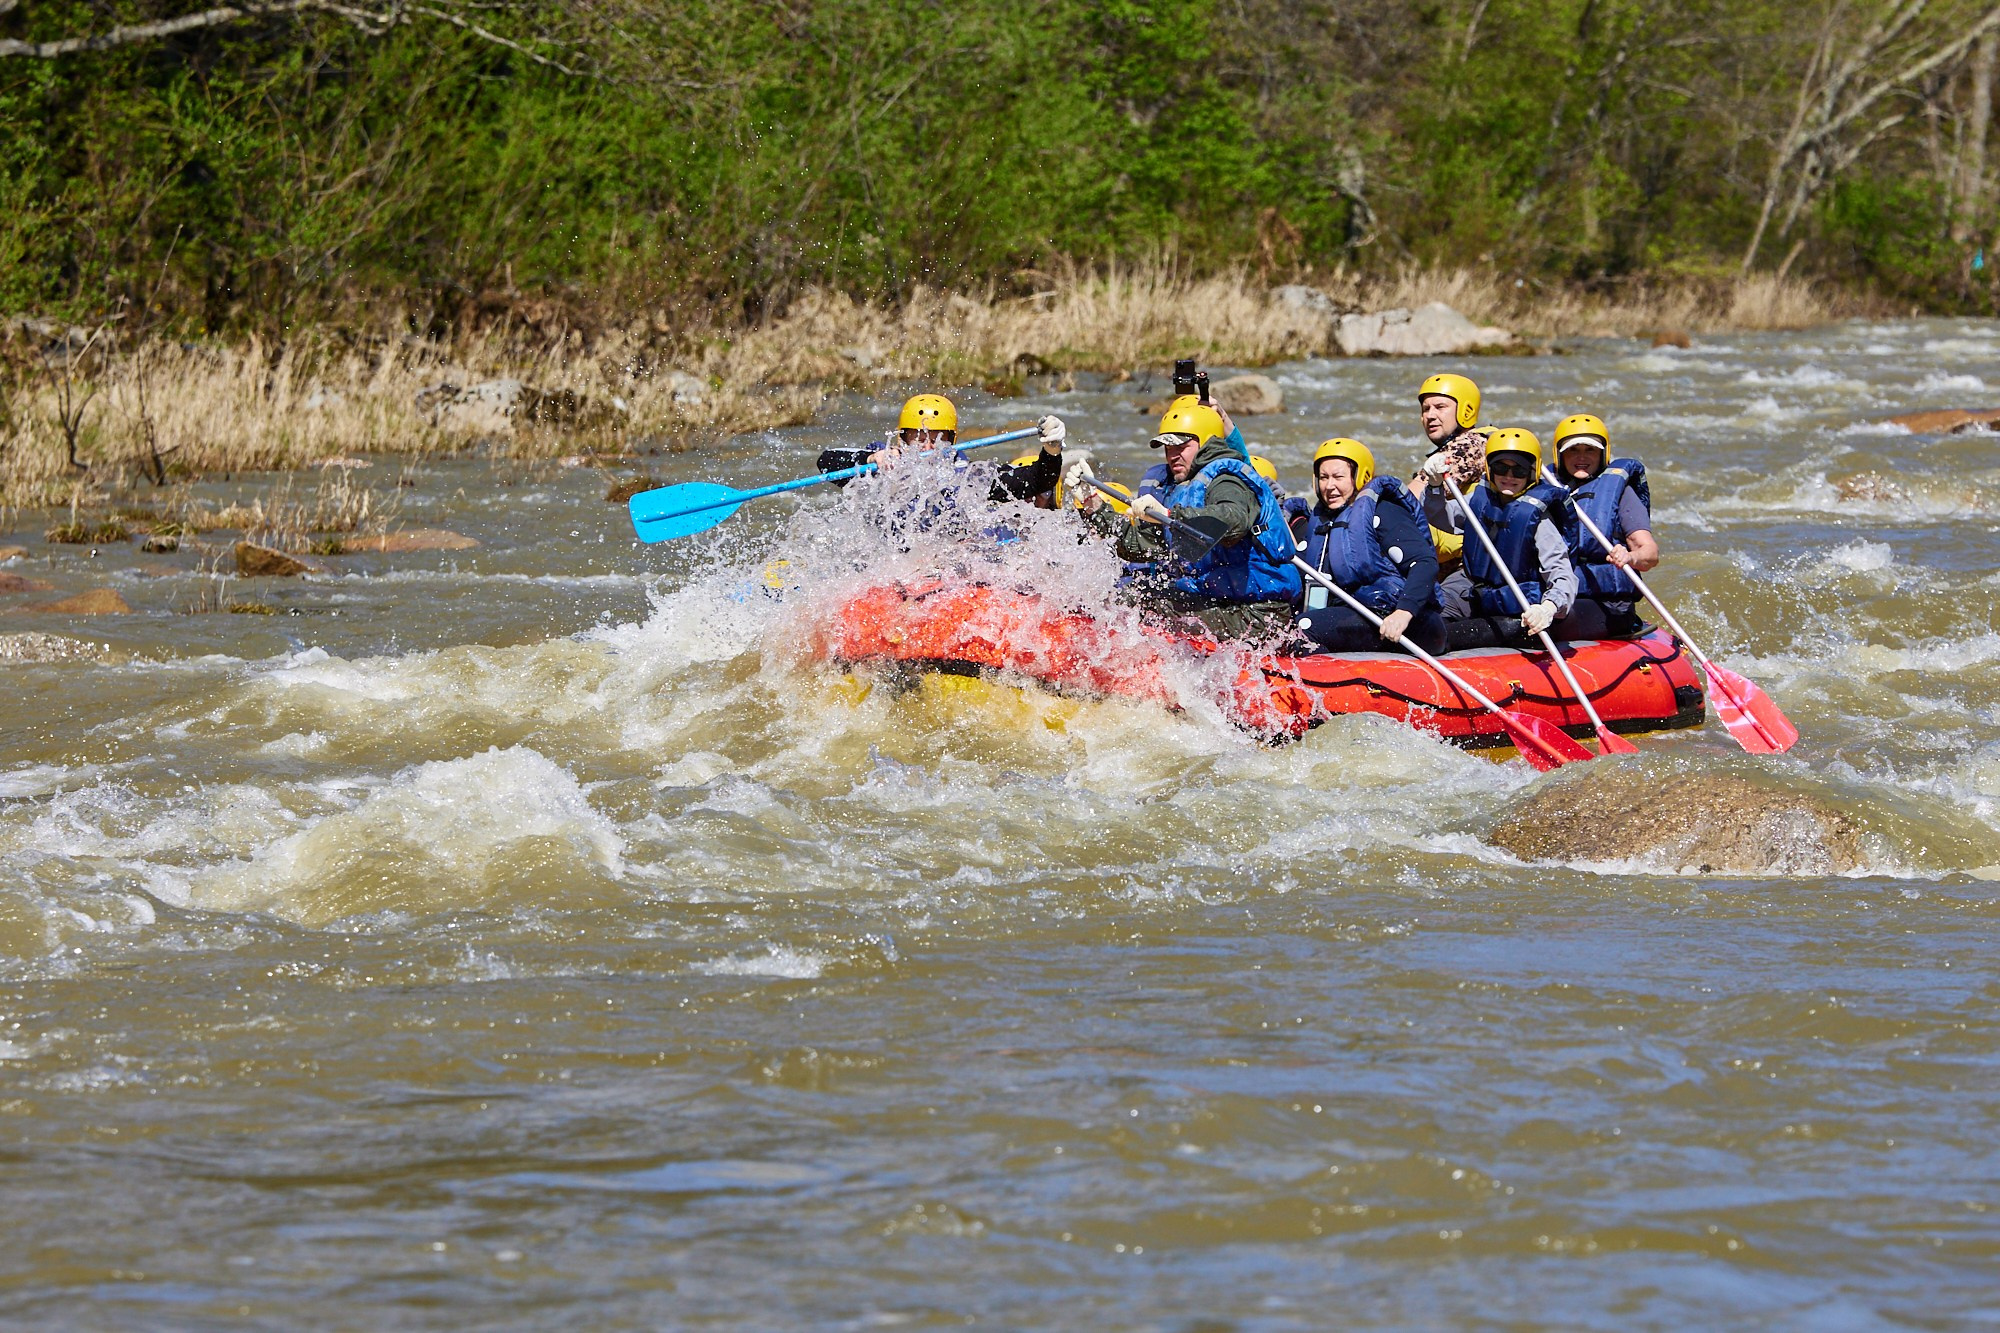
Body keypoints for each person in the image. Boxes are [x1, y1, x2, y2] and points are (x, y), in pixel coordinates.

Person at [1114, 398, 1301, 639]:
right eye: (1168, 448)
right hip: (1225, 602)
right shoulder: (1183, 489)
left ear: (1205, 442)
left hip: (1260, 614)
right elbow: (1143, 545)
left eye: (1181, 446)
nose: (1172, 455)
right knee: (1134, 596)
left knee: (1156, 612)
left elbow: (1233, 521)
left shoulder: (1227, 479)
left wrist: (1170, 515)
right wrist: (1093, 509)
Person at [1294, 438, 1447, 655]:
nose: (1329, 486)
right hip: (1360, 613)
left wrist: (1403, 612)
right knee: (1286, 625)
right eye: (1323, 478)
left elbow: (1424, 563)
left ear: (1360, 477)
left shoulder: (1383, 510)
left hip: (1408, 622)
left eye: (1338, 477)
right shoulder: (1322, 521)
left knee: (1305, 628)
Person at [1434, 428, 1578, 651]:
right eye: (1501, 468)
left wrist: (1548, 608)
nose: (1509, 477)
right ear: (1490, 470)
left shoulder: (1540, 519)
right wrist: (1433, 487)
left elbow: (1562, 575)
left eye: (1518, 470)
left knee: (1443, 635)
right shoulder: (1479, 499)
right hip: (1473, 590)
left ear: (1531, 472)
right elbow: (1439, 515)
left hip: (1515, 607)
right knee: (1428, 618)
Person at [815, 393, 1065, 503]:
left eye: (937, 437)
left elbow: (1038, 480)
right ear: (902, 437)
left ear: (951, 440)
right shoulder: (883, 464)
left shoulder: (969, 478)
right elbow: (826, 462)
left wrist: (1052, 451)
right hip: (891, 565)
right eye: (918, 435)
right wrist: (871, 458)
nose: (928, 444)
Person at [1547, 413, 1658, 640]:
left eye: (1590, 450)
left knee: (1545, 624)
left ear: (1603, 454)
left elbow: (1650, 554)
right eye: (1573, 450)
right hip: (1555, 592)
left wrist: (1630, 557)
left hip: (1607, 604)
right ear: (1559, 454)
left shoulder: (1621, 494)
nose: (1581, 457)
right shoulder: (1544, 489)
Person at [1408, 373, 1488, 571]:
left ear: (1466, 410)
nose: (1430, 415)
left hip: (1465, 570)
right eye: (1425, 409)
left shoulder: (1468, 446)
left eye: (1440, 407)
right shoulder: (1461, 445)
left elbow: (1408, 500)